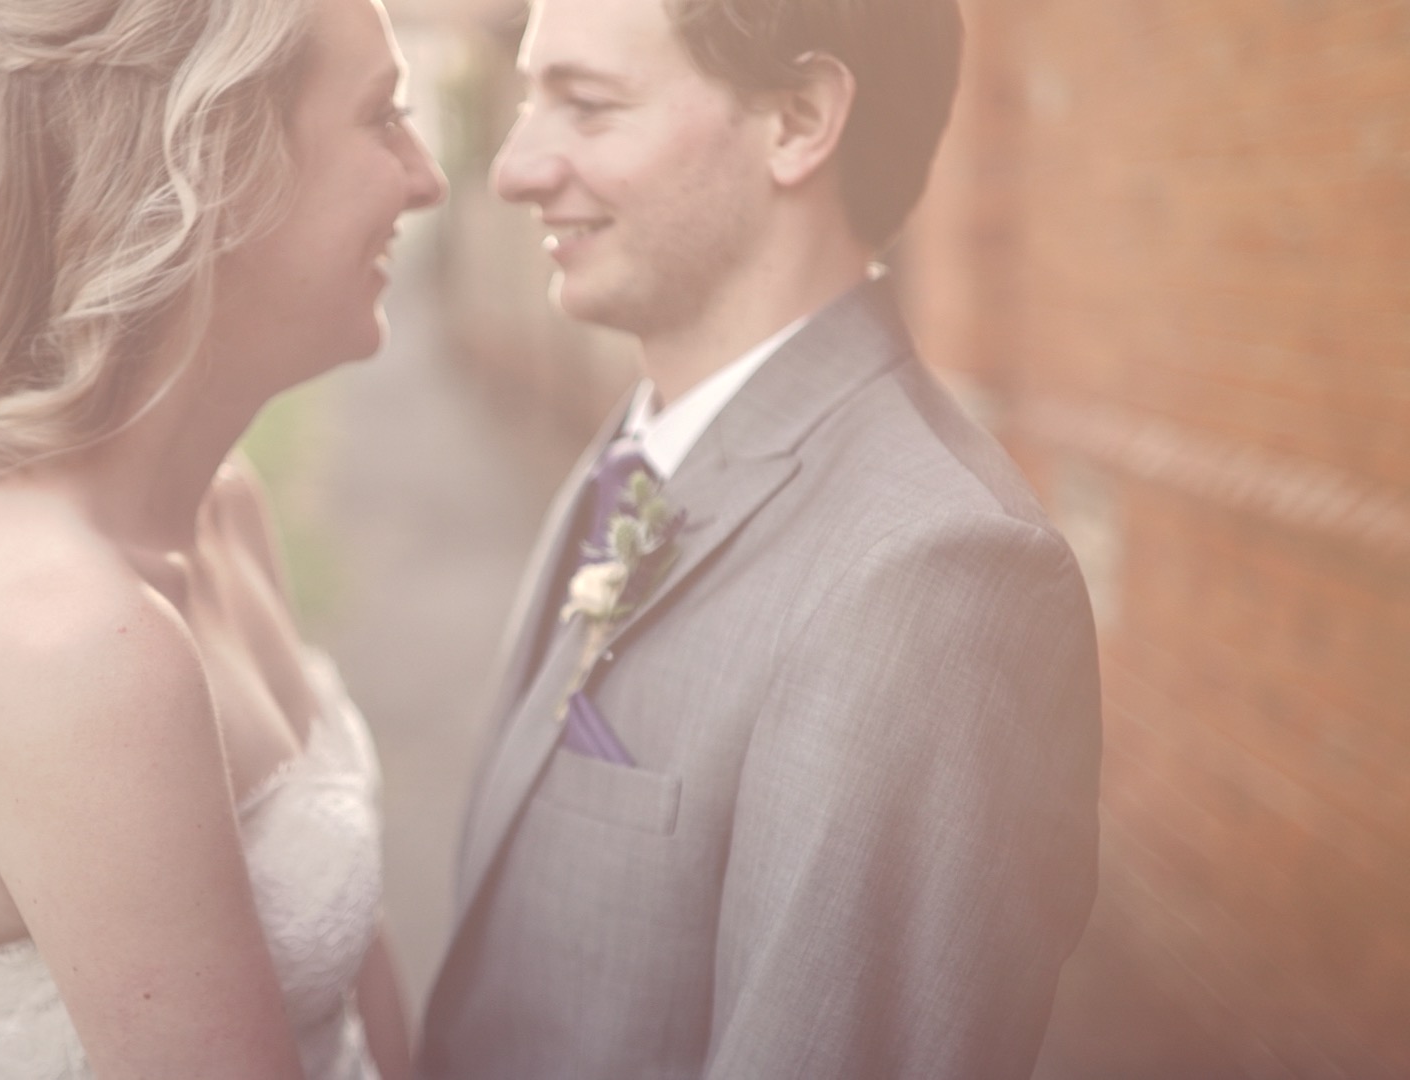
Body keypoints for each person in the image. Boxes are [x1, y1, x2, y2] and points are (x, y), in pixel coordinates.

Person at [417, 0, 1101, 1076]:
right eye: (525, 103)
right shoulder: (641, 445)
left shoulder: (931, 574)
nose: (514, 170)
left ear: (797, 120)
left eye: (587, 107)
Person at [0, 0, 444, 1075]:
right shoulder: (63, 646)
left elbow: (355, 969)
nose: (426, 176)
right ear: (218, 169)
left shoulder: (224, 507)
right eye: (382, 116)